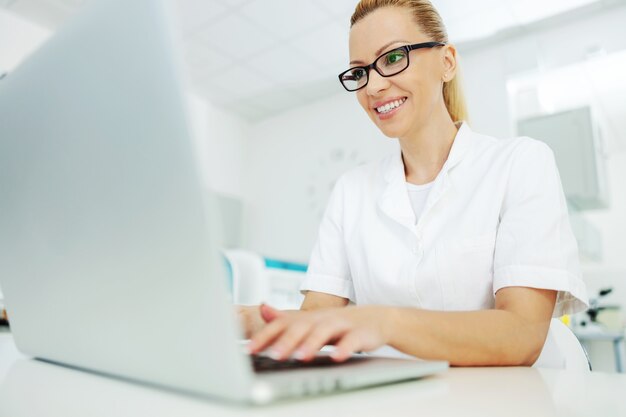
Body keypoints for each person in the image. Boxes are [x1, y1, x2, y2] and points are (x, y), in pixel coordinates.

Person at [239, 0, 588, 367]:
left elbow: (521, 334)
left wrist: (385, 321)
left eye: (392, 58)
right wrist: (244, 319)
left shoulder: (520, 162)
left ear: (447, 62)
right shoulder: (351, 190)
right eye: (359, 73)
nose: (372, 86)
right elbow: (315, 317)